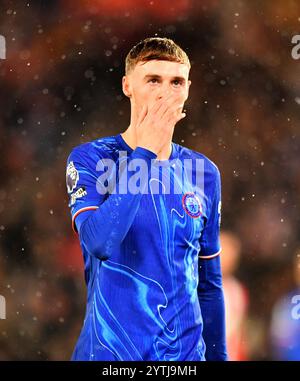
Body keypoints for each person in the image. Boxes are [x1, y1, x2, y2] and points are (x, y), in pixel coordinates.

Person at [65, 37, 227, 361]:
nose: (165, 92)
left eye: (176, 82)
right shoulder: (91, 159)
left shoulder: (203, 173)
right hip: (111, 355)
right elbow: (99, 242)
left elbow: (209, 285)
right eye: (153, 80)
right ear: (127, 86)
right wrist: (146, 154)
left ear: (188, 90)